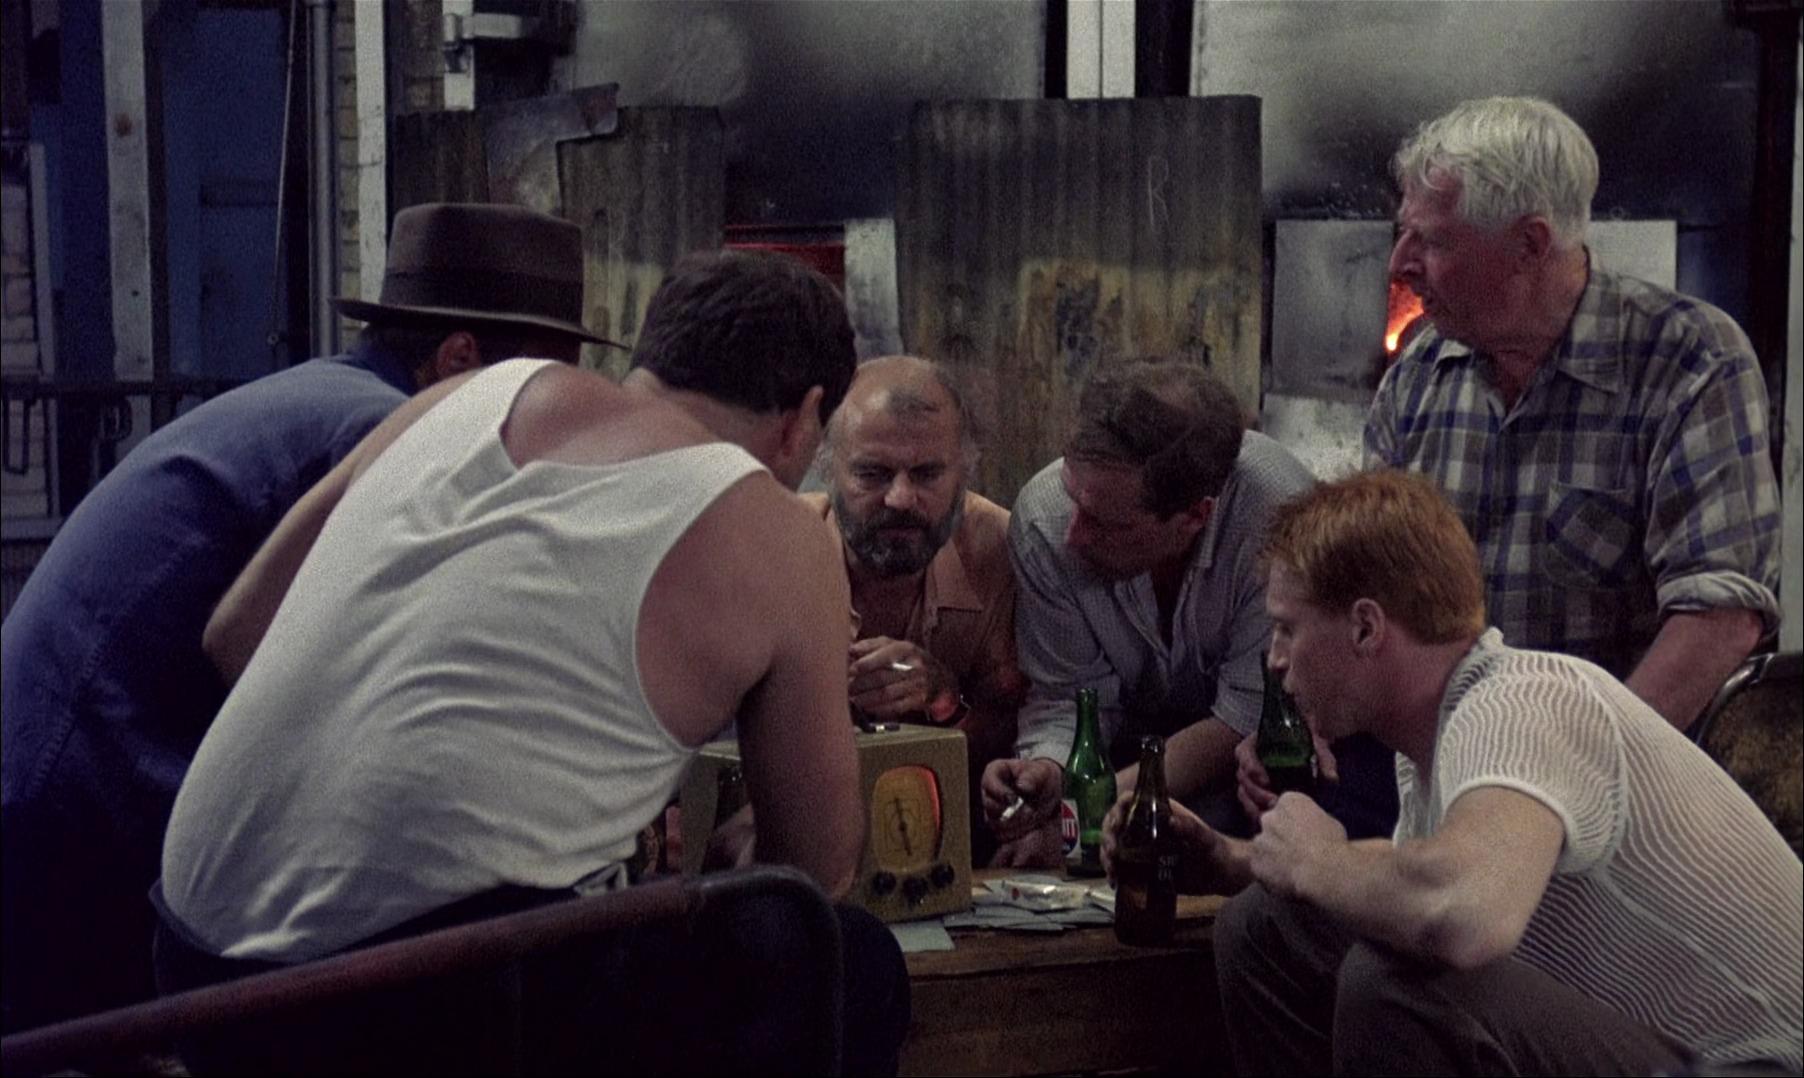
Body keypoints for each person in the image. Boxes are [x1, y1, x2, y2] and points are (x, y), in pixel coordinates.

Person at [155, 249, 909, 1074]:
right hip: (397, 1009)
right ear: (806, 417)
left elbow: (235, 634)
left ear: (653, 352)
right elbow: (815, 869)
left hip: (192, 964)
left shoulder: (463, 395)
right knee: (849, 962)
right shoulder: (781, 531)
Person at [0, 202, 610, 1033]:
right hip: (81, 817)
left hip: (62, 783)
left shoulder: (330, 396)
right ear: (459, 358)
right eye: (539, 394)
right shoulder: (381, 434)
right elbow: (349, 690)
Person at [1127, 469, 1801, 1075]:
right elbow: (1411, 879)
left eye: (1287, 629)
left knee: (1403, 987)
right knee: (1268, 925)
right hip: (1659, 1053)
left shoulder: (1523, 702)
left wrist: (1315, 861)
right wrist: (1235, 860)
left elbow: (1463, 914)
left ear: (1366, 629)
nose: (1274, 660)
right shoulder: (1431, 744)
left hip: (1756, 1065)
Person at [1365, 95, 1781, 733]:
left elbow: (1719, 617)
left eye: (1434, 241)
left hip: (1619, 766)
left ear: (1530, 244)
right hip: (1444, 753)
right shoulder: (1420, 374)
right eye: (1404, 235)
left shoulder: (1688, 359)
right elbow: (1368, 585)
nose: (1400, 265)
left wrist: (1580, 766)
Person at [982, 360, 1398, 868]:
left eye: (1104, 523)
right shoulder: (1045, 521)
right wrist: (1049, 770)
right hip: (1126, 754)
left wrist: (1088, 814)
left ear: (1195, 516)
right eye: (1074, 499)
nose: (1074, 535)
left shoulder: (1278, 519)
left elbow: (1243, 715)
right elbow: (1066, 695)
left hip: (1240, 764)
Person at [803, 354, 1028, 864]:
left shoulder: (1001, 551)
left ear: (966, 470)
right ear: (825, 466)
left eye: (927, 474)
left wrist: (943, 699)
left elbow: (1013, 740)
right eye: (872, 473)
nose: (901, 498)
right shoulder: (775, 551)